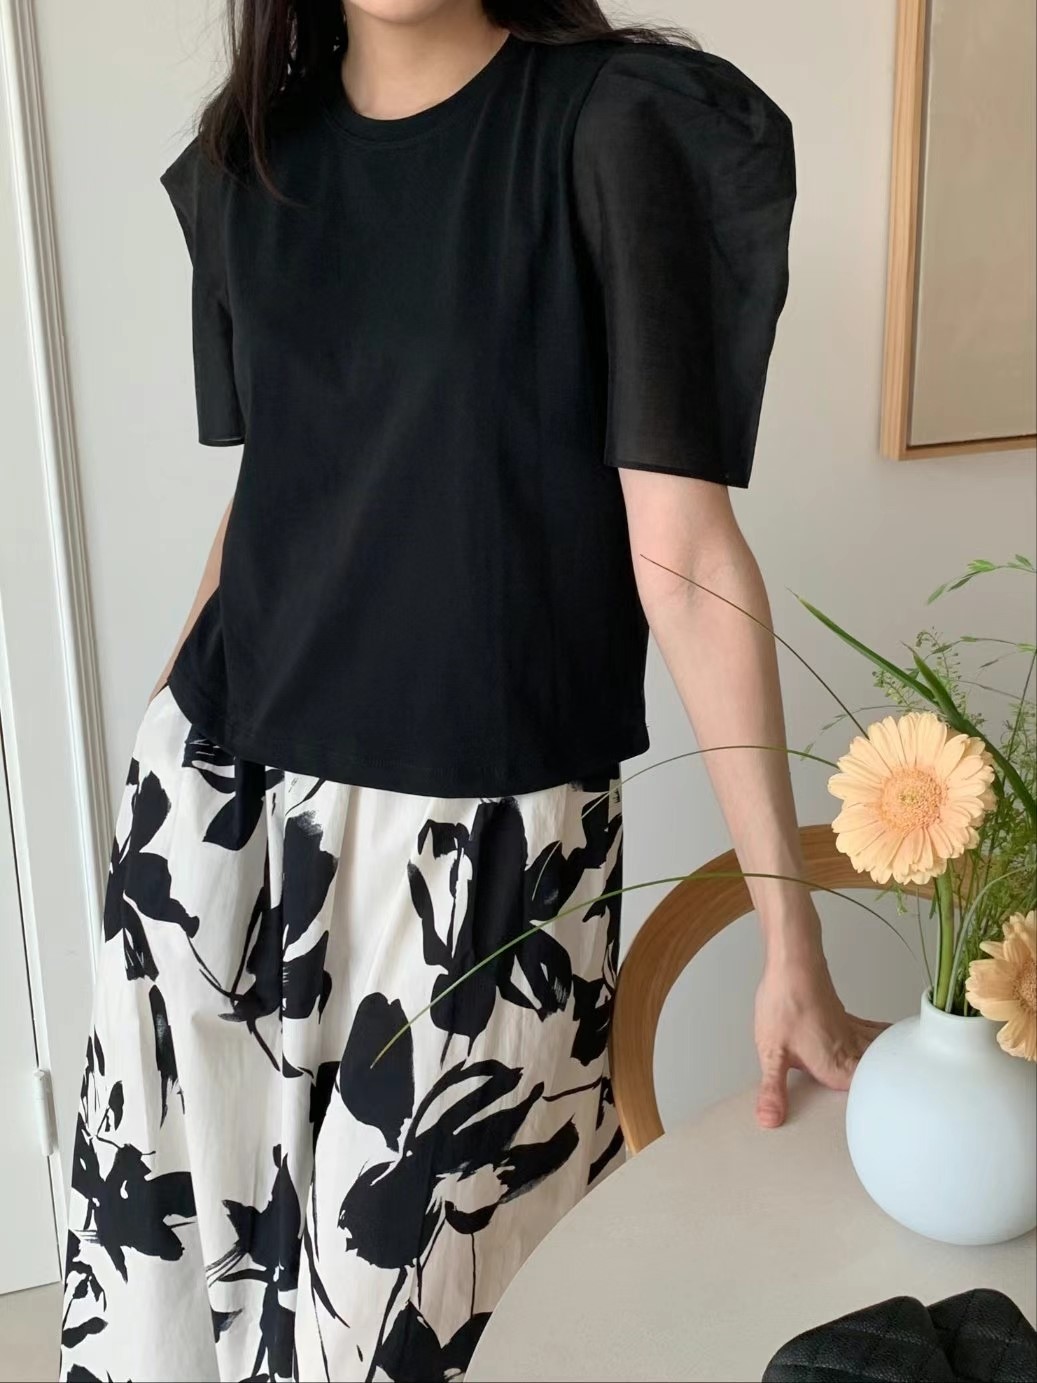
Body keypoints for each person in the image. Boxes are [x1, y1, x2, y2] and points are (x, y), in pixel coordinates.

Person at [59, 2, 883, 1379]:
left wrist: (785, 935)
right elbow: (279, 490)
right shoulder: (247, 162)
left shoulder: (610, 126)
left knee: (410, 1335)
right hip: (221, 815)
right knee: (187, 1315)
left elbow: (683, 557)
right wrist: (155, 772)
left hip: (482, 854)